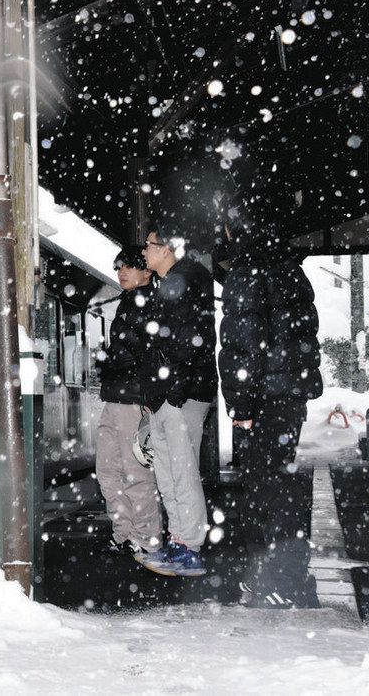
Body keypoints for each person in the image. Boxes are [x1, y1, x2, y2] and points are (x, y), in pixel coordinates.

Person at [219, 196, 323, 607]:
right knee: (284, 486)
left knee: (265, 491)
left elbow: (244, 346)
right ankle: (291, 576)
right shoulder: (289, 268)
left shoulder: (248, 272)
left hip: (265, 398)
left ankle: (277, 580)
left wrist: (242, 408)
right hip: (287, 395)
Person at [139, 224, 218, 577]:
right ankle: (180, 541)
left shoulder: (182, 282)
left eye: (149, 246)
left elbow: (185, 343)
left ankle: (190, 548)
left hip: (180, 395)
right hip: (168, 394)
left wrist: (172, 392)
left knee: (181, 473)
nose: (144, 252)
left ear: (167, 249)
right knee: (169, 473)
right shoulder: (177, 282)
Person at [94, 245, 162, 559]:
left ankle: (146, 538)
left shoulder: (147, 304)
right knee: (107, 469)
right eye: (119, 267)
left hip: (133, 398)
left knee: (135, 473)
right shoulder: (127, 304)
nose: (121, 273)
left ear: (146, 271)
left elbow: (138, 352)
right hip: (116, 396)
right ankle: (125, 533)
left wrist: (106, 360)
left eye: (129, 267)